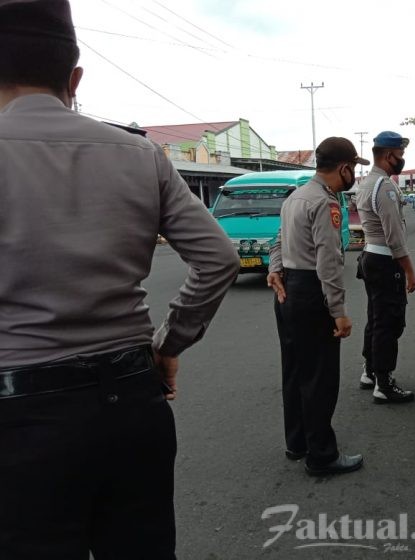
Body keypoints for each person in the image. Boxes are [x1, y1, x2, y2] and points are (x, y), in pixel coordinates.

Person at [0, 1, 240, 557]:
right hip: (133, 400)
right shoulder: (140, 154)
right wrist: (169, 342)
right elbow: (218, 259)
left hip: (21, 418)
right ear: (74, 78)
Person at [267, 137, 367, 476]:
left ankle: (297, 443)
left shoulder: (295, 197)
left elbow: (278, 241)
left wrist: (275, 269)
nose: (353, 175)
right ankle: (322, 455)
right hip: (312, 294)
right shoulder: (326, 203)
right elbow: (328, 261)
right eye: (353, 169)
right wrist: (339, 312)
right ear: (344, 168)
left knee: (295, 371)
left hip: (288, 291)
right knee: (320, 377)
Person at [356, 131, 415, 404]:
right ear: (389, 155)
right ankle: (384, 383)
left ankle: (370, 371)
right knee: (389, 322)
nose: (402, 160)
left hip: (370, 257)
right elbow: (394, 238)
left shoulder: (366, 183)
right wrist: (410, 271)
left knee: (376, 318)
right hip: (385, 261)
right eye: (400, 155)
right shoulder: (384, 187)